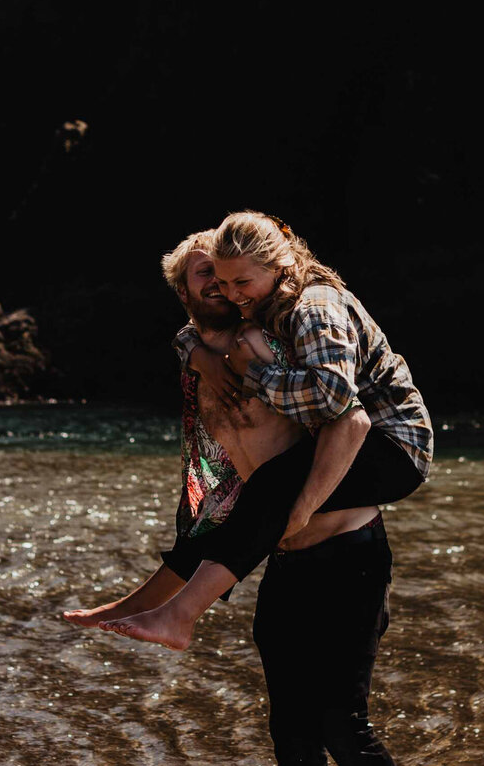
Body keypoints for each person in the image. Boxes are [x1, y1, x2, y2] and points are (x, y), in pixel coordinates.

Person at [69, 225, 441, 766]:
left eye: (229, 276)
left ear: (257, 279)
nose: (219, 287)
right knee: (291, 732)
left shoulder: (271, 341)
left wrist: (293, 509)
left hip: (348, 551)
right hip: (287, 564)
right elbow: (213, 511)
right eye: (203, 278)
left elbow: (348, 419)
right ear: (184, 294)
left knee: (342, 721)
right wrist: (126, 604)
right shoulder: (204, 363)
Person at [104, 211, 432, 652]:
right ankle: (162, 610)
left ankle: (179, 616)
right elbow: (191, 331)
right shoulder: (268, 307)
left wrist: (254, 374)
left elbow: (335, 398)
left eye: (240, 283)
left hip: (397, 445)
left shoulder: (314, 306)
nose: (230, 293)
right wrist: (197, 353)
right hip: (356, 449)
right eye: (221, 281)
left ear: (278, 266)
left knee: (272, 485)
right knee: (252, 496)